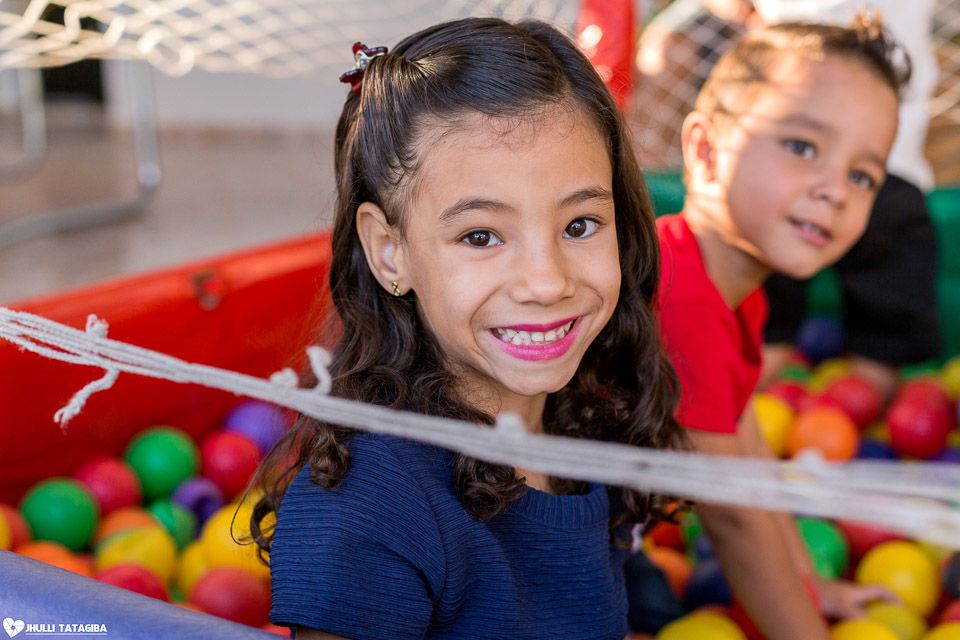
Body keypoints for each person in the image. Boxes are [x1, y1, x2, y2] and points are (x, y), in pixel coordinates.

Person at [248, 17, 685, 640]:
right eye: (481, 236)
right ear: (390, 252)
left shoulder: (590, 427)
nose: (546, 282)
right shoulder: (369, 505)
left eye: (579, 225)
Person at [655, 18, 906, 639]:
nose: (835, 191)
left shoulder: (733, 294)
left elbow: (747, 449)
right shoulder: (677, 295)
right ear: (706, 151)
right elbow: (733, 518)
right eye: (801, 146)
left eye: (862, 176)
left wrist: (810, 585)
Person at [753, 0, 941, 399]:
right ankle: (853, 397)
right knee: (880, 325)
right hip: (882, 167)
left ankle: (771, 390)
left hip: (813, 167)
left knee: (772, 301)